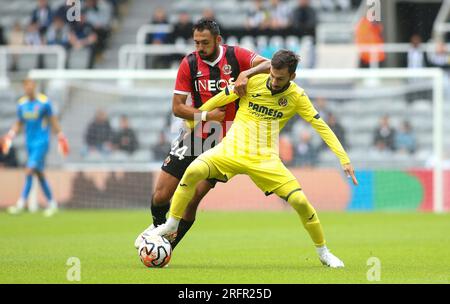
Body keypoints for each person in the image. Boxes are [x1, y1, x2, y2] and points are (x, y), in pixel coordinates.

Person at [146, 50, 358, 268]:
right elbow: (219, 98)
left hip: (264, 159)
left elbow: (321, 127)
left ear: (292, 77)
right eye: (272, 75)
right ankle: (171, 224)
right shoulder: (251, 82)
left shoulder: (297, 97)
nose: (274, 81)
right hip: (230, 150)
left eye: (280, 78)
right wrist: (194, 120)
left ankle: (324, 252)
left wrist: (344, 160)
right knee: (192, 172)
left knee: (300, 202)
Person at [134, 18, 271, 249]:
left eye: (204, 43)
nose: (199, 48)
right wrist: (206, 116)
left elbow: (269, 64)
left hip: (228, 141)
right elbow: (177, 107)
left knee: (193, 197)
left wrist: (246, 74)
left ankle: (166, 248)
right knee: (161, 194)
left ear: (218, 40)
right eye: (196, 42)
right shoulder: (189, 63)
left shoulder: (236, 56)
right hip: (198, 134)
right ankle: (157, 230)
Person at [1, 79, 70, 216]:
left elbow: (53, 121)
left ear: (35, 87)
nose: (29, 89)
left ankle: (20, 204)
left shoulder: (44, 102)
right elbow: (19, 123)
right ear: (24, 88)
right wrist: (10, 135)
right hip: (29, 143)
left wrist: (61, 137)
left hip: (42, 142)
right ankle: (52, 203)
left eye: (31, 86)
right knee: (39, 173)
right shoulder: (22, 104)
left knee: (29, 169)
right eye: (26, 86)